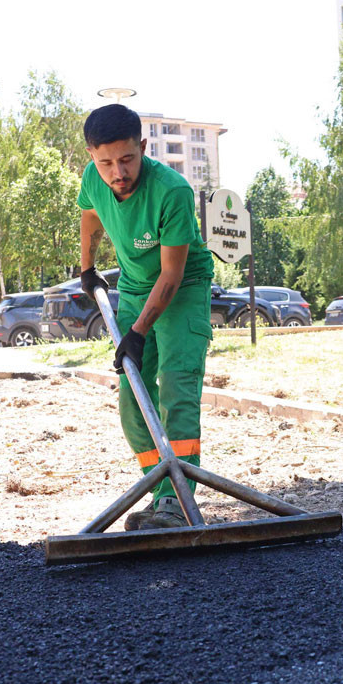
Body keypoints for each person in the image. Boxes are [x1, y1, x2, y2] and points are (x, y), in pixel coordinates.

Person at [76, 104, 215, 530]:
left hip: (183, 290)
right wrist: (87, 267)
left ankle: (177, 500)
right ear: (92, 157)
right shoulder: (92, 179)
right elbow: (90, 216)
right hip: (135, 289)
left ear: (143, 146)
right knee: (133, 405)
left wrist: (137, 332)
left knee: (176, 388)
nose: (117, 172)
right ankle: (161, 494)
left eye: (127, 159)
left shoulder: (171, 191)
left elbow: (171, 275)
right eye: (105, 163)